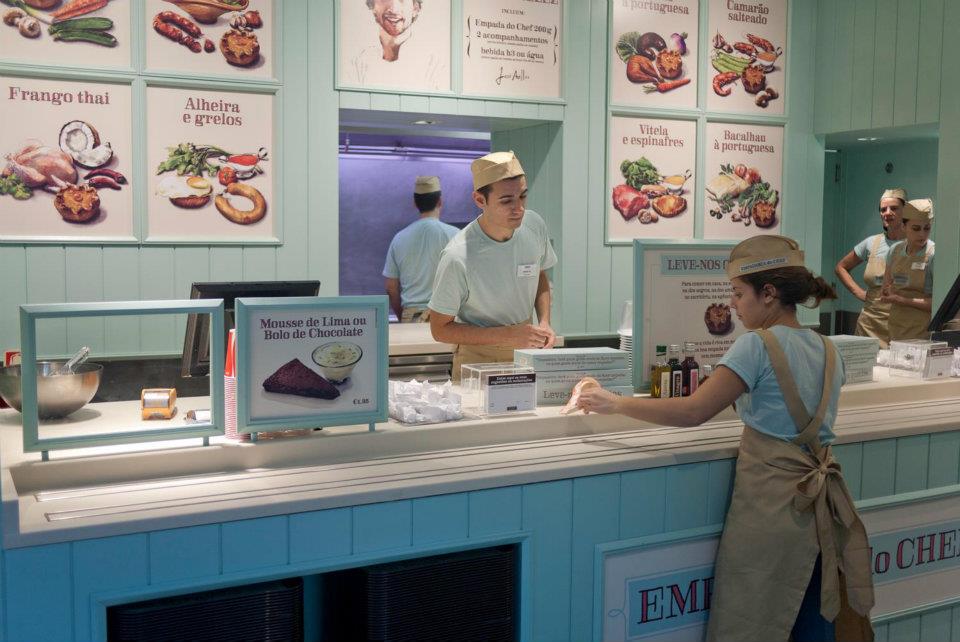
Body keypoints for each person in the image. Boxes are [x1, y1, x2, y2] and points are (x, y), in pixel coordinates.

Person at [577, 235, 874, 642]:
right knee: (812, 615)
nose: (732, 304)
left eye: (737, 293)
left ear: (767, 293)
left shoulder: (755, 346)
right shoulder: (828, 348)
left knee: (749, 620)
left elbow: (693, 411)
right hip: (821, 511)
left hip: (771, 511)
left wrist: (615, 403)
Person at [428, 151, 558, 381]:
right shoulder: (458, 255)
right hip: (477, 359)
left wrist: (545, 322)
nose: (519, 208)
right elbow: (440, 330)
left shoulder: (534, 225)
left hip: (526, 353)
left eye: (523, 196)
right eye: (507, 201)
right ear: (480, 200)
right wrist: (508, 335)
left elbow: (539, 275)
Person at [835, 188, 907, 347]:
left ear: (906, 210)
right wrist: (859, 292)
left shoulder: (915, 246)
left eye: (894, 208)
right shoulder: (871, 243)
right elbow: (841, 267)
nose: (887, 213)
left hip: (902, 325)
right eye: (883, 209)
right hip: (869, 324)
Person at [383, 175, 458, 323]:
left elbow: (391, 288)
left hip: (411, 318)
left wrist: (403, 316)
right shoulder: (457, 236)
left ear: (415, 203)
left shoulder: (399, 238)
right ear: (440, 201)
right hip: (447, 318)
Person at [346, 0, 447, 91]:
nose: (393, 9)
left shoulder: (434, 66)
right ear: (372, 6)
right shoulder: (357, 62)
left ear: (415, 8)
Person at [881, 198, 935, 341]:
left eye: (927, 228)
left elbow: (939, 304)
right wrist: (887, 293)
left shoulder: (933, 255)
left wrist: (902, 299)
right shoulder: (895, 251)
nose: (922, 234)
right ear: (903, 226)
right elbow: (886, 288)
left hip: (923, 332)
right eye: (916, 229)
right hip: (896, 328)